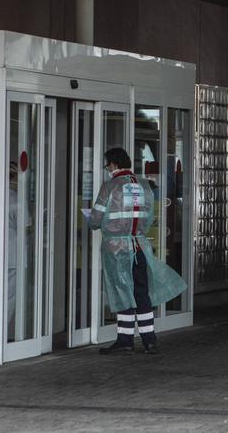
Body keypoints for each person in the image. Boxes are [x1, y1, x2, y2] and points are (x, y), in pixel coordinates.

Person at [89, 147, 187, 355]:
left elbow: (96, 220)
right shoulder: (144, 186)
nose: (107, 168)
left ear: (113, 164)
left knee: (122, 292)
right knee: (142, 292)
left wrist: (93, 221)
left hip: (117, 248)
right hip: (140, 246)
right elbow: (149, 217)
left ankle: (124, 340)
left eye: (107, 165)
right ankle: (149, 340)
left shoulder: (110, 186)